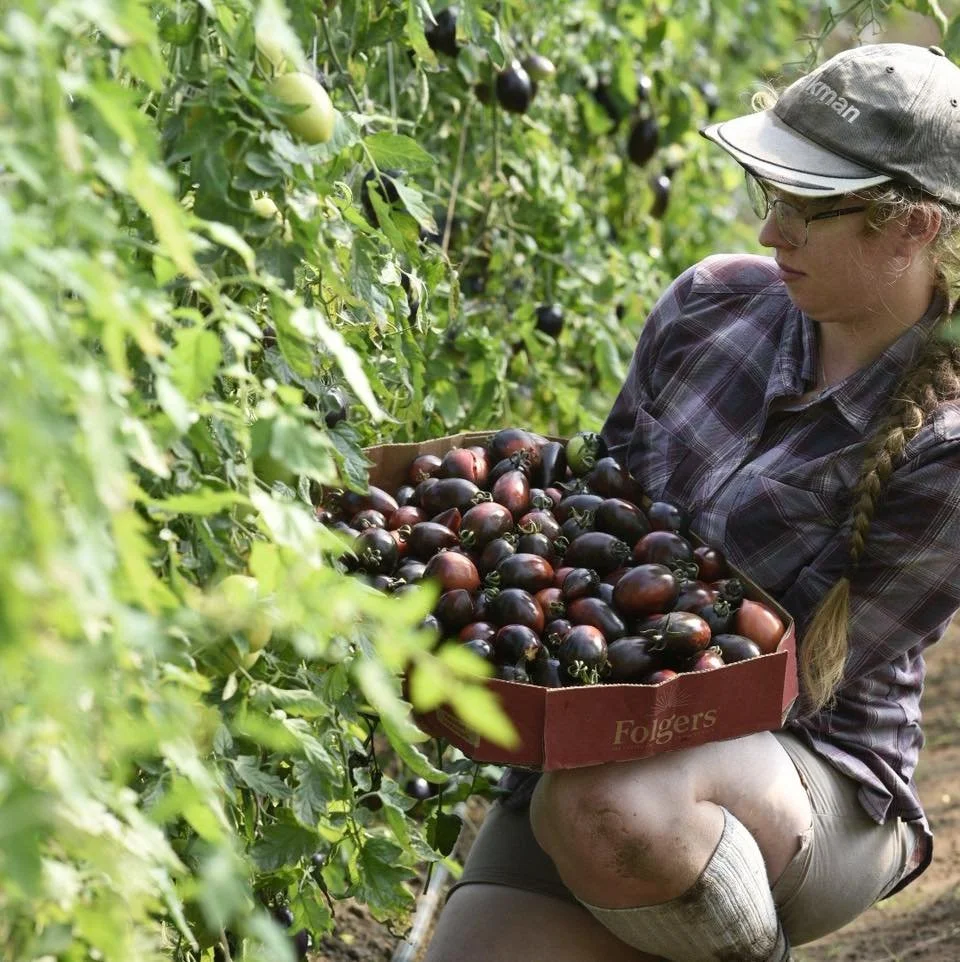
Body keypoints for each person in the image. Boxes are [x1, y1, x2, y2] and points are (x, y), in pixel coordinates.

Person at [423, 42, 960, 962]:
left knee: (612, 813)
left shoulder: (944, 452)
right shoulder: (710, 305)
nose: (769, 234)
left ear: (912, 227)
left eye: (804, 210)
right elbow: (600, 519)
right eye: (769, 198)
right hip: (593, 750)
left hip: (801, 770)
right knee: (574, 832)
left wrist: (566, 705)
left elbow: (780, 684)